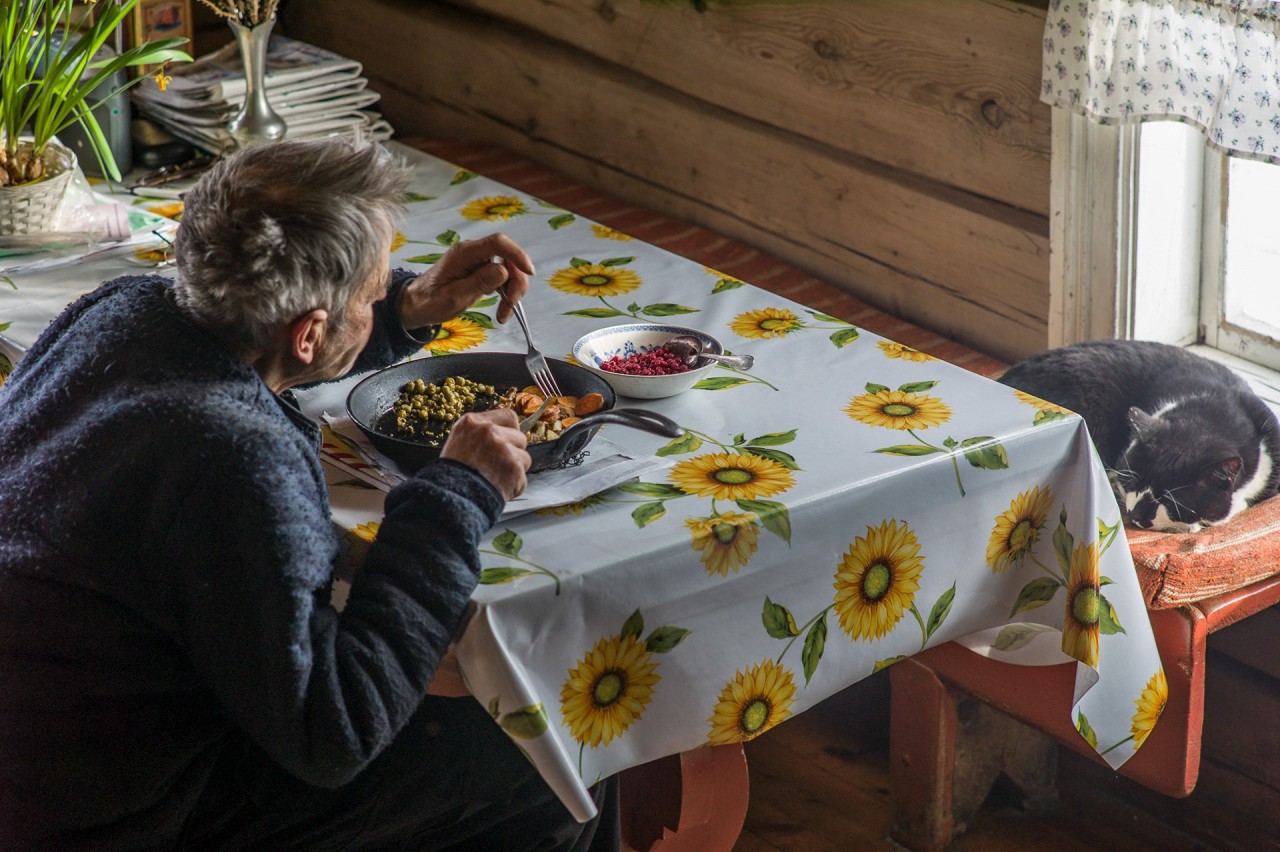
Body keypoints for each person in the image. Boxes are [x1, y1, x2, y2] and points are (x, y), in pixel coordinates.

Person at [0, 138, 619, 850]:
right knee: (555, 753)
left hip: (42, 759)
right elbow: (337, 731)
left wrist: (407, 310)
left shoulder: (122, 308)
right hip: (121, 819)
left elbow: (269, 353)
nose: (384, 292)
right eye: (372, 292)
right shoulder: (232, 454)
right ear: (310, 331)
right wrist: (459, 492)